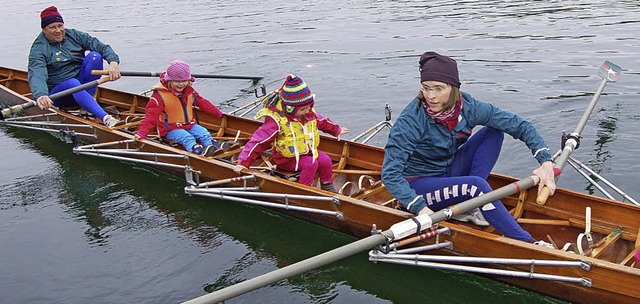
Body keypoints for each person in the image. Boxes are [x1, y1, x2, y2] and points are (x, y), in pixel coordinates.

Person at [381, 51, 556, 246]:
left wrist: (546, 162)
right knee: (476, 185)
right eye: (426, 88)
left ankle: (474, 204)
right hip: (417, 184)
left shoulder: (469, 107)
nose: (431, 96)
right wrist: (420, 208)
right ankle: (529, 244)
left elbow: (519, 125)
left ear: (454, 88)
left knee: (494, 131)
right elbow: (390, 175)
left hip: (446, 172)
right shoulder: (410, 121)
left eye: (439, 88)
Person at [232, 74, 349, 192]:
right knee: (310, 164)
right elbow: (258, 141)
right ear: (290, 109)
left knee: (325, 160)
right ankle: (304, 191)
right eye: (303, 109)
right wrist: (243, 163)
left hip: (307, 151)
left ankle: (327, 186)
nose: (308, 111)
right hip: (287, 159)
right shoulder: (276, 121)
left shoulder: (307, 114)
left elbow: (322, 121)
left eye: (309, 107)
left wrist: (336, 130)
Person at [27, 6, 122, 127]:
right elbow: (37, 74)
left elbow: (101, 47)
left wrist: (113, 63)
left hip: (81, 86)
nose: (58, 30)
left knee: (95, 56)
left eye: (60, 26)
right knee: (72, 83)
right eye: (52, 27)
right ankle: (106, 118)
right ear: (44, 29)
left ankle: (87, 104)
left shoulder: (74, 35)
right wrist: (40, 94)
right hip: (59, 95)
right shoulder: (38, 49)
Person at [134, 60, 223, 156]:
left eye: (184, 81)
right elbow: (150, 117)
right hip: (169, 129)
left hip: (189, 124)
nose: (181, 84)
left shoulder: (190, 92)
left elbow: (203, 103)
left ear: (189, 80)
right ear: (169, 80)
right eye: (177, 81)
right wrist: (142, 133)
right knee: (187, 138)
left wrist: (217, 113)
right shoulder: (159, 96)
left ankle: (213, 146)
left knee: (204, 133)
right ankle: (196, 150)